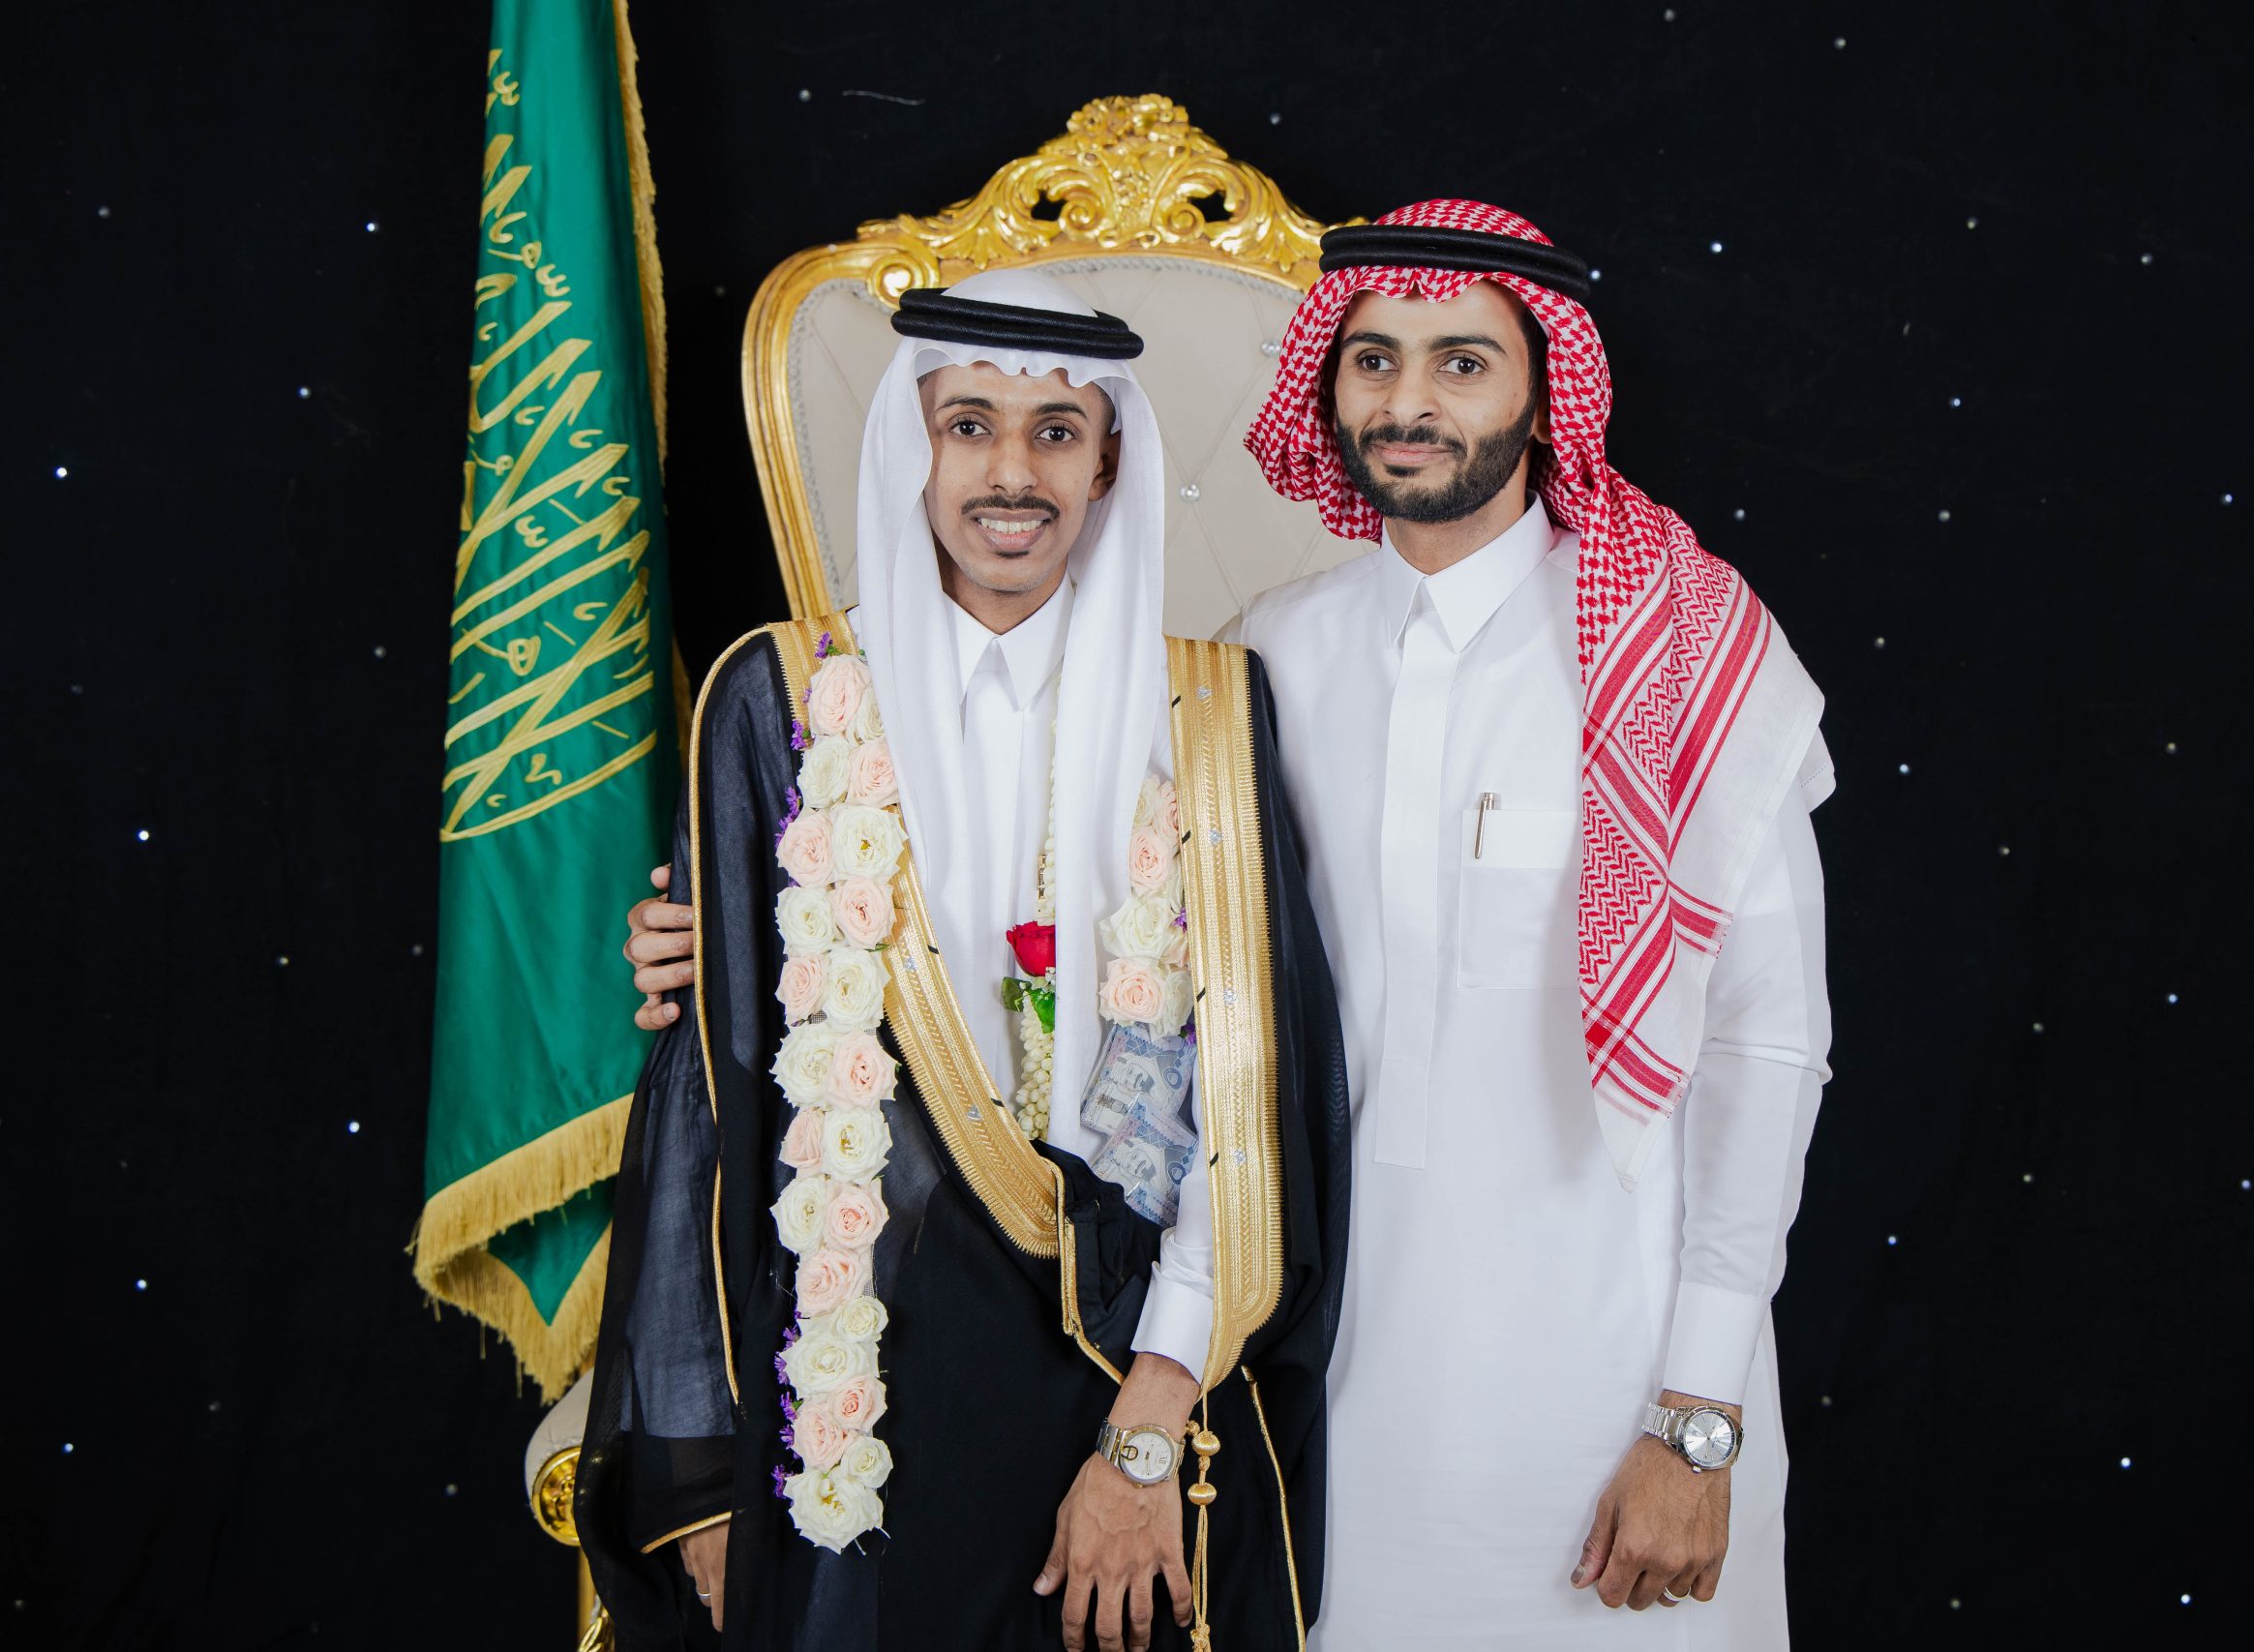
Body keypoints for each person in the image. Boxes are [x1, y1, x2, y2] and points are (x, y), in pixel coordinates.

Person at [580, 270, 1348, 1652]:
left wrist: (1150, 1428)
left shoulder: (1209, 717)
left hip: (1132, 1353)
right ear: (912, 447)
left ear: (1107, 464)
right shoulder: (781, 700)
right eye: (969, 425)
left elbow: (1257, 1101)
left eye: (1056, 431)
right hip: (858, 1372)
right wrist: (702, 1480)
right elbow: (708, 1094)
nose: (1012, 474)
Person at [1226, 200, 1833, 1648]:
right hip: (1330, 1382)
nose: (1409, 401)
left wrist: (1696, 1413)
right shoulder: (1269, 654)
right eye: (1373, 360)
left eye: (1462, 362)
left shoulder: (1682, 647)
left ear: (1546, 393)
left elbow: (1766, 1044)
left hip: (1613, 1392)